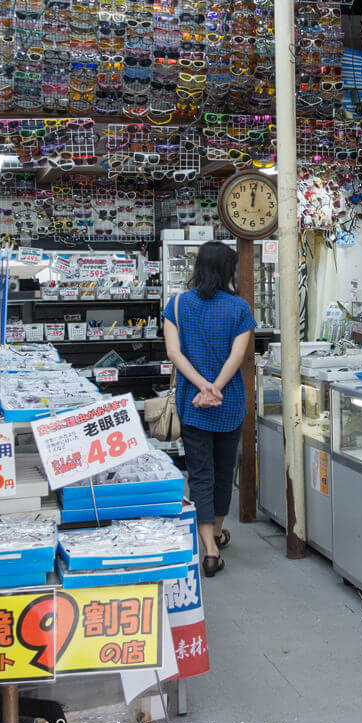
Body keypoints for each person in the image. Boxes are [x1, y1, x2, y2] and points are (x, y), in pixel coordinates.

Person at [163, 241, 256, 578]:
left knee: (199, 474)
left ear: (198, 267)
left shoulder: (175, 305)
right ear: (228, 270)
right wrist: (216, 387)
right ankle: (216, 531)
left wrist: (201, 387)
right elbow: (238, 357)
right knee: (223, 473)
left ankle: (209, 549)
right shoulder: (240, 308)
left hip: (193, 405)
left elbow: (174, 354)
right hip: (228, 403)